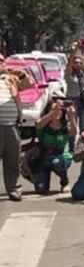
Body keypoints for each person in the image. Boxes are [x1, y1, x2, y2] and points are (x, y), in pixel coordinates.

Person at [0, 55, 33, 201]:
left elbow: (30, 83)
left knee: (12, 160)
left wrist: (20, 73)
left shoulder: (10, 80)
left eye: (1, 60)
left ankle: (13, 189)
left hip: (11, 126)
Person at [31, 95, 76, 194]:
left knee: (56, 162)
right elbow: (38, 124)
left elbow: (73, 132)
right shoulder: (44, 124)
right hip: (44, 158)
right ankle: (39, 177)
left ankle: (64, 182)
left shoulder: (66, 125)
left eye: (60, 109)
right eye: (53, 108)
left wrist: (72, 116)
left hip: (60, 156)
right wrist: (52, 114)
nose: (57, 111)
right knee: (41, 189)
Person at [64, 52, 84, 131]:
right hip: (72, 100)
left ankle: (82, 142)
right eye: (76, 63)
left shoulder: (83, 73)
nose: (78, 64)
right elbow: (69, 65)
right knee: (72, 125)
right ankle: (71, 143)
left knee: (83, 126)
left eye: (80, 63)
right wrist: (74, 50)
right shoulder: (68, 74)